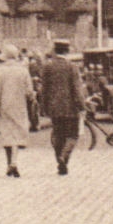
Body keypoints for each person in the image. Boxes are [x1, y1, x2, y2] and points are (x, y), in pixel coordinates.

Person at [39, 38, 88, 175]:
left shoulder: (47, 67)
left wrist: (43, 107)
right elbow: (77, 88)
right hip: (70, 107)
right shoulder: (72, 67)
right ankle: (64, 156)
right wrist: (82, 105)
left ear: (55, 50)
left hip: (54, 108)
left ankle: (59, 159)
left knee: (57, 134)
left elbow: (44, 89)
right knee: (72, 135)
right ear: (67, 51)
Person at [0, 44, 34, 178]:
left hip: (4, 106)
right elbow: (29, 91)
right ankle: (14, 162)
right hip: (20, 106)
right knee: (18, 134)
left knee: (7, 135)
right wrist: (30, 98)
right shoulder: (23, 71)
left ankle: (10, 163)